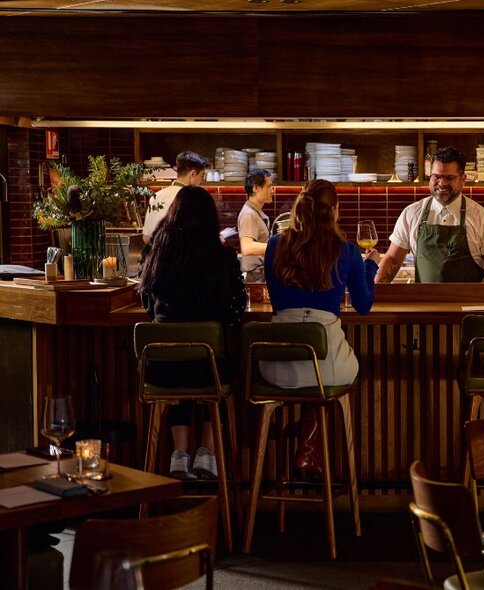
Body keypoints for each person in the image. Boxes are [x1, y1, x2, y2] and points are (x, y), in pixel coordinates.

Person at [261, 179, 379, 478]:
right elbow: (364, 305)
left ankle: (305, 438)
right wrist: (370, 265)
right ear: (334, 210)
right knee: (324, 377)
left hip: (276, 367)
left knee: (312, 375)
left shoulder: (275, 245)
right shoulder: (348, 252)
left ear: (299, 208)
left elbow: (277, 301)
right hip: (326, 368)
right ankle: (308, 442)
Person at [139, 185, 247, 479]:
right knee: (218, 372)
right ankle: (207, 453)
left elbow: (147, 301)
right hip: (208, 369)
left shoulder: (156, 255)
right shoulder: (222, 259)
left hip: (160, 370)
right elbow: (237, 305)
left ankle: (179, 454)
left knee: (178, 377)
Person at [376, 146, 484, 283]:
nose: (442, 183)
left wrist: (479, 297)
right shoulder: (412, 213)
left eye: (449, 178)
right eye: (436, 177)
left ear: (463, 179)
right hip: (423, 302)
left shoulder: (481, 217)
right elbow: (392, 259)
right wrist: (375, 293)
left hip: (467, 303)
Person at [141, 151, 210, 244]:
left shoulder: (156, 196)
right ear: (192, 174)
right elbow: (199, 239)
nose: (201, 181)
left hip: (158, 256)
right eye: (202, 176)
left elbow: (146, 237)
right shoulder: (194, 199)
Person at [238, 168, 274, 282]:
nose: (272, 190)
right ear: (255, 188)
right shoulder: (249, 214)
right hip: (256, 277)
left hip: (260, 275)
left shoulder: (255, 212)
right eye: (269, 186)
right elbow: (247, 247)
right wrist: (279, 246)